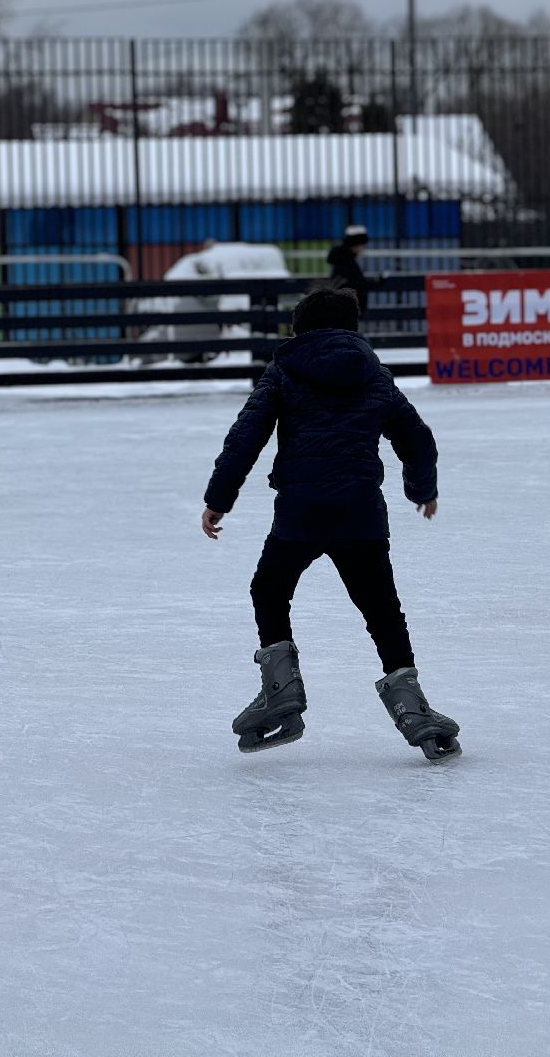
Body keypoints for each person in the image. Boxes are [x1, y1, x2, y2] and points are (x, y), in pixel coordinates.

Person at [199, 285, 461, 761]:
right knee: (382, 611)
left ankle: (281, 692)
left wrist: (220, 499)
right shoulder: (374, 375)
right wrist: (422, 489)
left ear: (300, 329)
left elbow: (245, 437)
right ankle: (415, 711)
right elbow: (417, 439)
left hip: (301, 510)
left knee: (269, 589)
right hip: (360, 510)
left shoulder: (283, 371)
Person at [327, 225, 371, 311]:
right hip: (345, 307)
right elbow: (356, 283)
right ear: (356, 244)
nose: (363, 248)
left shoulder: (343, 259)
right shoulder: (346, 261)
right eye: (362, 244)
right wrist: (375, 282)